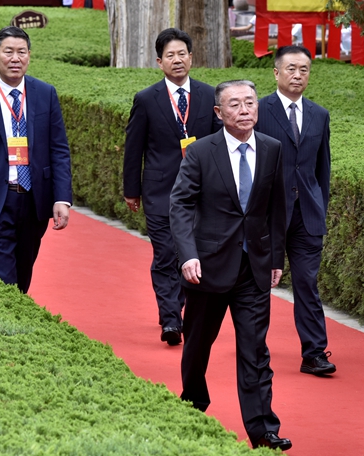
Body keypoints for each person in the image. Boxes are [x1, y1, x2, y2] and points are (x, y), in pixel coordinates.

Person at [170, 80, 291, 451]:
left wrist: (275, 257)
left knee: (255, 350)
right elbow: (180, 205)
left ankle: (263, 429)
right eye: (235, 104)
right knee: (197, 345)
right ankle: (193, 403)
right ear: (219, 113)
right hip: (206, 267)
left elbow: (276, 207)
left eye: (250, 102)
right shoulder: (200, 152)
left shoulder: (271, 148)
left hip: (253, 267)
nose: (244, 110)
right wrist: (188, 254)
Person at [123, 28, 221, 346]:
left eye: (182, 54)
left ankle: (178, 307)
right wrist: (131, 190)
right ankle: (170, 320)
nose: (177, 60)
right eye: (170, 55)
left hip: (200, 193)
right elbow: (134, 149)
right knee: (165, 253)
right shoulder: (146, 99)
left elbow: (219, 145)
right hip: (160, 192)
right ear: (159, 62)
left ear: (191, 58)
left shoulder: (209, 96)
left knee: (191, 255)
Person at [0, 26, 72, 293]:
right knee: (3, 283)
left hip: (34, 201)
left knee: (22, 278)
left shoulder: (46, 93)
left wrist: (61, 198)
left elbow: (59, 150)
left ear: (29, 55)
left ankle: (14, 316)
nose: (15, 58)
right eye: (8, 52)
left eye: (22, 52)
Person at [255, 45, 335, 376]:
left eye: (304, 69)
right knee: (259, 283)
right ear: (276, 72)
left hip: (307, 215)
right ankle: (253, 347)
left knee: (306, 282)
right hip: (267, 215)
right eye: (291, 69)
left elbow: (322, 169)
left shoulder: (319, 114)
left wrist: (319, 206)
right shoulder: (259, 110)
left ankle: (314, 353)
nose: (297, 75)